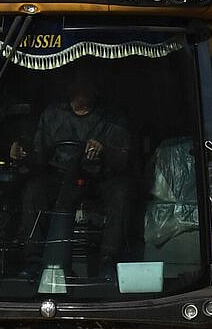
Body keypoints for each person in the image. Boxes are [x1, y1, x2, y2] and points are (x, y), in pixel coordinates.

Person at [11, 76, 137, 279]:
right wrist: (21, 151)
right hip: (60, 177)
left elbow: (125, 159)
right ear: (69, 87)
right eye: (79, 84)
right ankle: (34, 261)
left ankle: (108, 260)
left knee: (121, 192)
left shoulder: (112, 118)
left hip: (100, 178)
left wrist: (104, 150)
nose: (84, 89)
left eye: (88, 84)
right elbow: (38, 154)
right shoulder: (52, 115)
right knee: (34, 191)